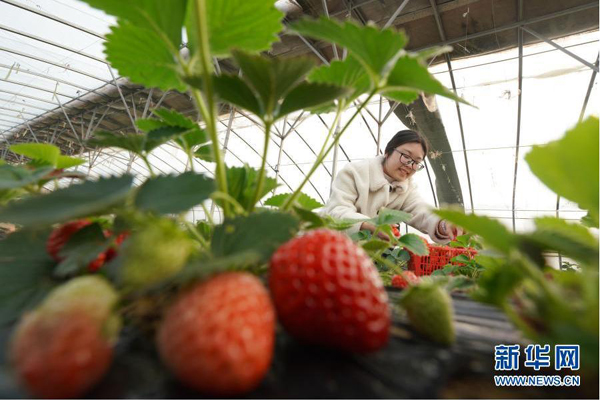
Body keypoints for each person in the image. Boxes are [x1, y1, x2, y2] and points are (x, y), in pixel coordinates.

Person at [322, 129, 461, 242]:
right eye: (406, 156)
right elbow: (337, 211)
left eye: (416, 162)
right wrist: (368, 224)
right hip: (332, 245)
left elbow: (422, 211)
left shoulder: (406, 189)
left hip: (369, 255)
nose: (410, 165)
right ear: (387, 152)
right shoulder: (355, 173)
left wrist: (444, 224)